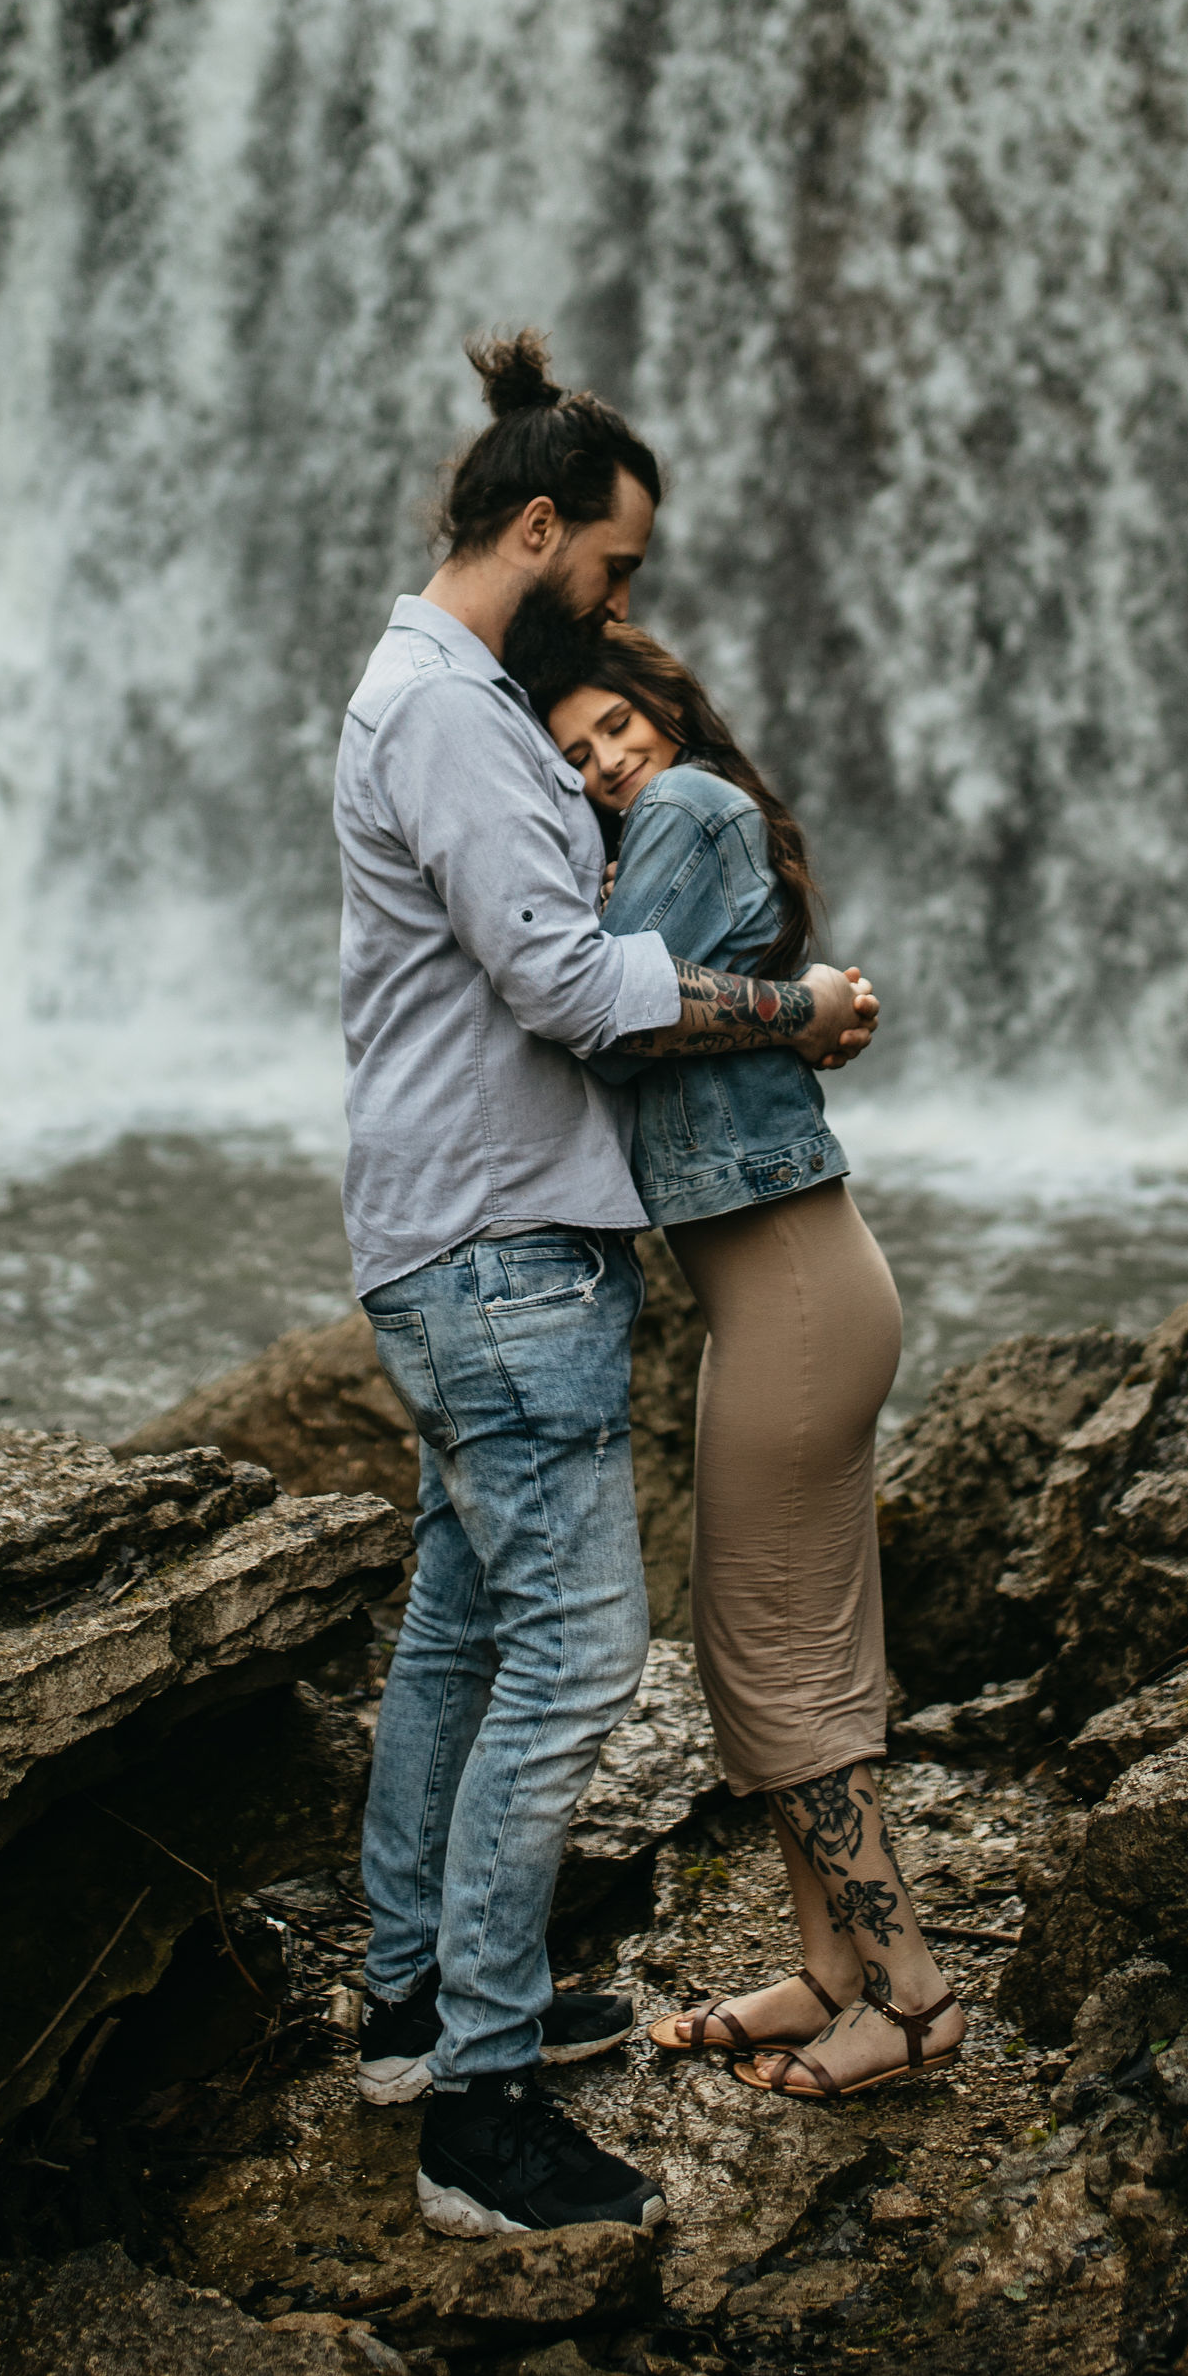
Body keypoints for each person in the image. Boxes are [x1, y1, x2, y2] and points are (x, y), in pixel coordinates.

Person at [338, 330, 880, 2237]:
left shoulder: (433, 696)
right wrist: (790, 1009)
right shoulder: (462, 718)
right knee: (571, 1653)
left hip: (455, 1230)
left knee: (465, 1627)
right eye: (619, 574)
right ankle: (478, 2112)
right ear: (541, 525)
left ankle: (417, 2004)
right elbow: (568, 988)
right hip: (496, 1245)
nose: (624, 616)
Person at [535, 620, 962, 2102]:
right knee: (792, 1650)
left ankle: (909, 1996)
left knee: (776, 1656)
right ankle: (828, 1970)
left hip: (788, 1286)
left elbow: (609, 1019)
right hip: (789, 1290)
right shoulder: (664, 825)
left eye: (612, 727)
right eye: (576, 752)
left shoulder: (683, 807)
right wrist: (811, 1011)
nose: (602, 761)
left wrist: (798, 1010)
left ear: (662, 705)